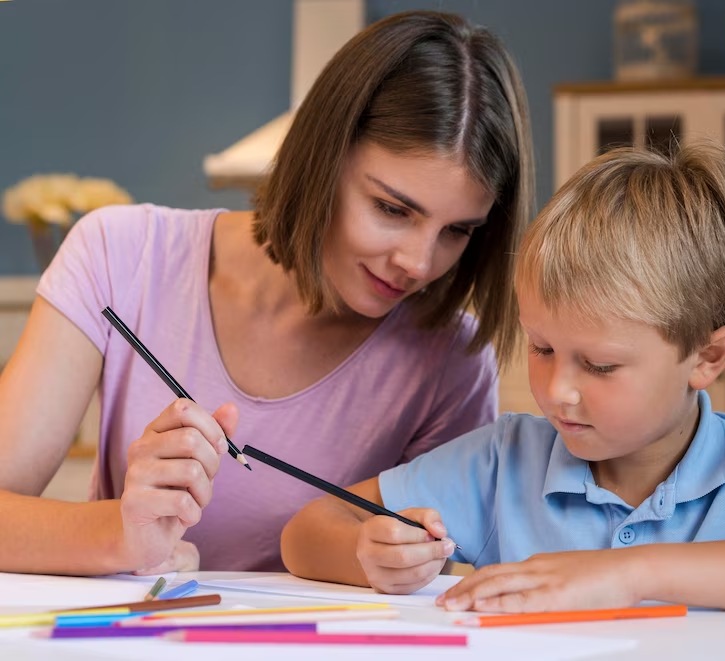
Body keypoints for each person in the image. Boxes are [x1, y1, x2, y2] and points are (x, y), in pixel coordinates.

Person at [0, 10, 534, 575]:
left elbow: (441, 575)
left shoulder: (451, 361)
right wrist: (121, 536)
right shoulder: (119, 255)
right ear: (323, 158)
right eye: (392, 209)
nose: (419, 263)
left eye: (458, 231)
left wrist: (397, 562)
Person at [281, 141, 725, 612]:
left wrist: (630, 575)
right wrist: (371, 557)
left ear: (707, 356)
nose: (557, 391)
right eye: (541, 347)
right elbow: (308, 531)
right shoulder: (502, 462)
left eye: (600, 365)